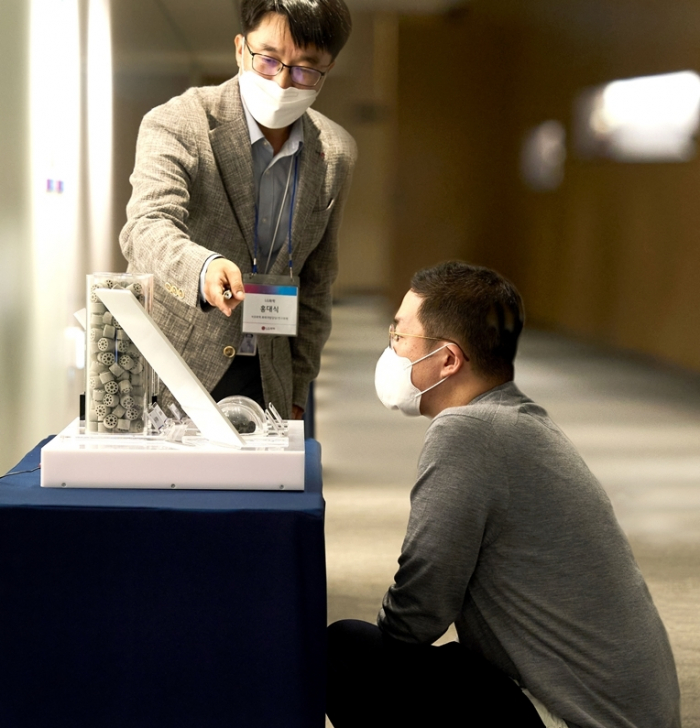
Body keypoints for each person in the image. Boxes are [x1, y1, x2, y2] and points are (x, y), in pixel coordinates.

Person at [326, 261, 680, 728]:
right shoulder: (517, 419)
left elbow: (420, 609)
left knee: (346, 651)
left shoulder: (467, 432)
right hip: (616, 710)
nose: (389, 351)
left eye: (399, 337)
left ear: (449, 359)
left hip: (574, 716)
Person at [120, 0, 356, 418]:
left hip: (270, 371)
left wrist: (298, 387)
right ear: (239, 49)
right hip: (176, 364)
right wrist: (203, 268)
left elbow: (318, 279)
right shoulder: (178, 122)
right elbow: (147, 226)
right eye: (268, 59)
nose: (283, 82)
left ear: (328, 69)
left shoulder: (335, 152)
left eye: (305, 69)